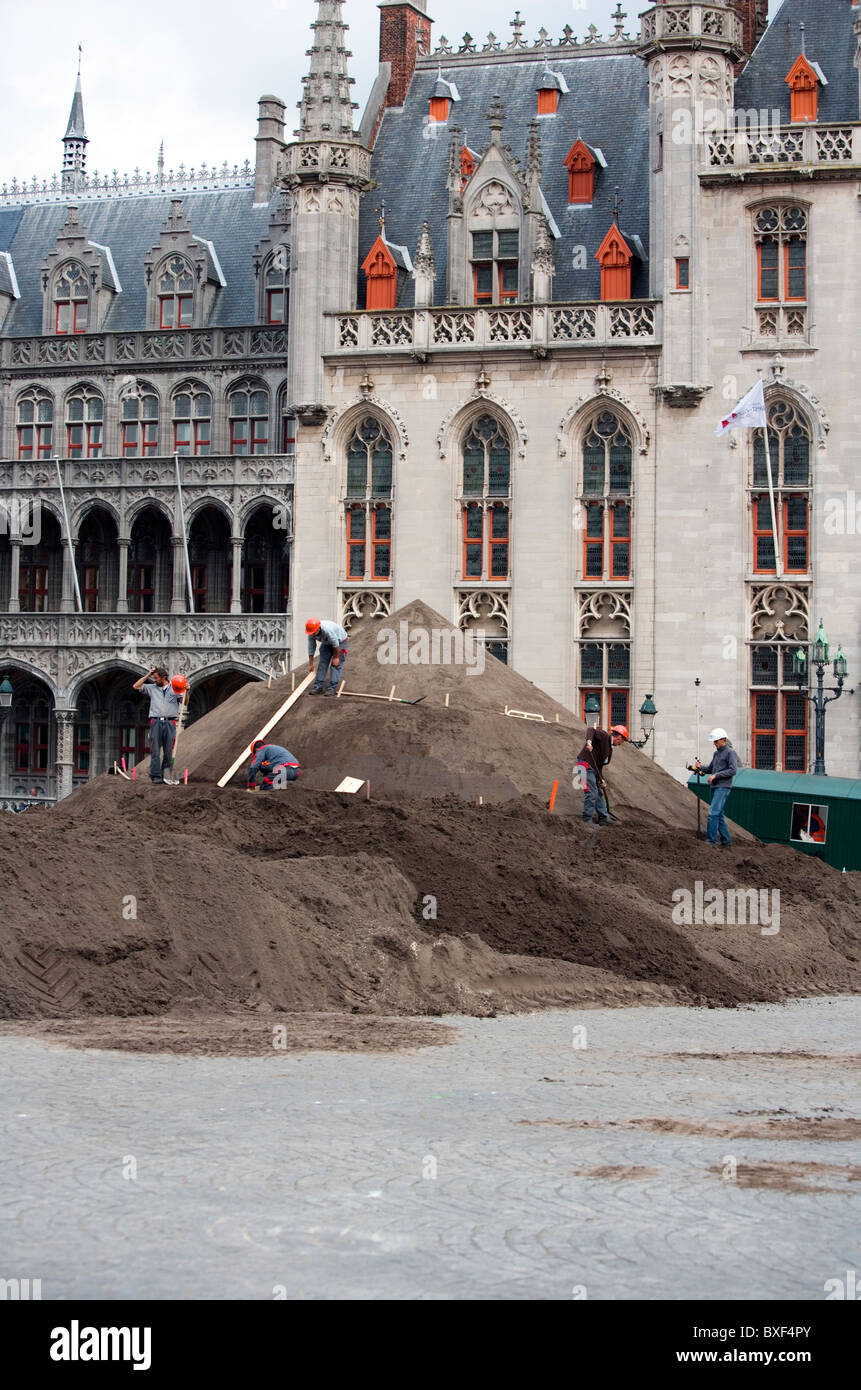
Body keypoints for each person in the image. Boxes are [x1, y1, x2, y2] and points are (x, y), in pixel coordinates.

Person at [132, 667, 183, 784]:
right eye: (153, 678)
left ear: (163, 677)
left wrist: (187, 691)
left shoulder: (175, 689)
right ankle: (155, 775)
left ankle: (166, 774)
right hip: (155, 721)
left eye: (156, 678)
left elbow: (184, 701)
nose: (154, 680)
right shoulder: (152, 688)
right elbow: (136, 686)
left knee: (168, 750)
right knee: (155, 750)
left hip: (170, 721)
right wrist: (148, 675)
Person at [692, 727, 739, 847]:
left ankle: (711, 841)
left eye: (716, 741)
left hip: (723, 787)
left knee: (713, 813)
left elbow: (733, 770)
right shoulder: (716, 753)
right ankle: (726, 841)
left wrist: (716, 775)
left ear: (723, 740)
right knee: (719, 814)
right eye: (714, 741)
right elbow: (710, 769)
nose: (714, 743)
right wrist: (700, 768)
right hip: (715, 787)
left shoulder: (730, 752)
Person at [575, 723, 628, 826]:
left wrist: (601, 780)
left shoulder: (609, 749)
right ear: (619, 737)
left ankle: (603, 818)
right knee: (592, 792)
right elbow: (591, 730)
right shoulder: (605, 736)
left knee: (599, 792)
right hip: (585, 764)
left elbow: (599, 766)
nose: (622, 743)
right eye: (623, 740)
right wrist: (589, 743)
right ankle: (587, 819)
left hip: (593, 768)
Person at [306, 617, 348, 695]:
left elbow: (336, 644)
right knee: (322, 663)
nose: (312, 634)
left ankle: (332, 688)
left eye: (313, 632)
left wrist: (336, 657)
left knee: (335, 664)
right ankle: (318, 686)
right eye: (311, 633)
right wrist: (311, 664)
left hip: (340, 641)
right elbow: (311, 648)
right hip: (326, 642)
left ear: (318, 628)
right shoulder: (311, 632)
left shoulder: (327, 630)